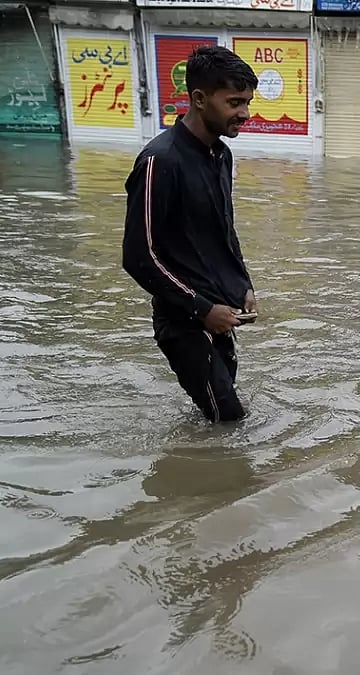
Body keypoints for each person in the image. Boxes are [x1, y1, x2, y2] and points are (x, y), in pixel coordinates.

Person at [121, 46, 259, 422]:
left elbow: (224, 230)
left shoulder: (221, 156)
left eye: (247, 102)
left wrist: (242, 285)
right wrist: (202, 309)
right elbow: (138, 256)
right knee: (229, 419)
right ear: (198, 99)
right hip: (184, 321)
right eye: (234, 102)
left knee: (216, 416)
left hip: (221, 313)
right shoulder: (159, 161)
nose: (244, 114)